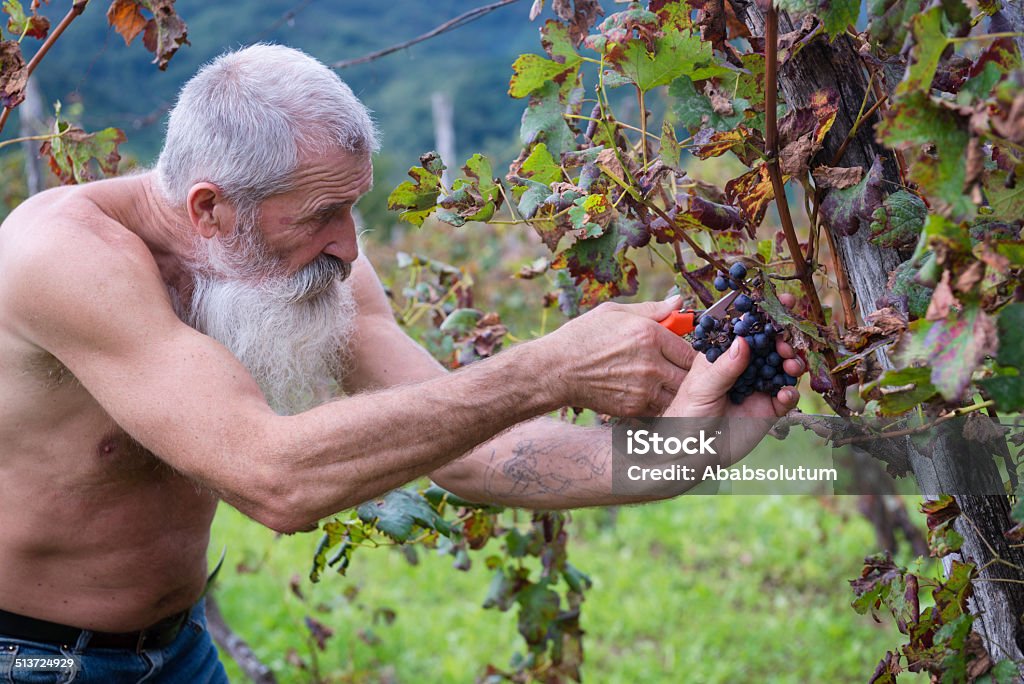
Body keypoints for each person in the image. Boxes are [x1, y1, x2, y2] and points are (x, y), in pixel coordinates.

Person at [0, 44, 803, 682]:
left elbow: (474, 448)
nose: (350, 247)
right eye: (322, 215)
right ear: (210, 208)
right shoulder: (65, 260)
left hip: (177, 653)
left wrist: (685, 453)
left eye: (354, 205)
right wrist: (547, 367)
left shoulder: (303, 263)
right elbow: (273, 478)